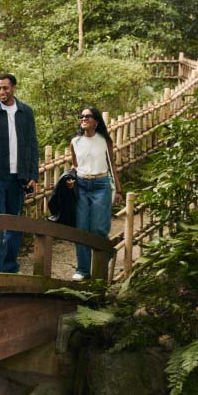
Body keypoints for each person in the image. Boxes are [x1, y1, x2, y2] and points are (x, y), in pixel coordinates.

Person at [0, 73, 39, 273]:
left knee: (15, 225)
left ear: (14, 88)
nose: (1, 92)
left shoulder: (26, 112)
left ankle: (10, 268)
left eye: (5, 88)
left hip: (18, 178)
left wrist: (33, 175)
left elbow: (32, 145)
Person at [70, 106, 123, 281]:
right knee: (82, 229)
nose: (84, 119)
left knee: (99, 228)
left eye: (88, 116)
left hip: (101, 185)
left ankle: (101, 261)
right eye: (82, 116)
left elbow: (111, 165)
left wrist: (118, 189)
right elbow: (75, 165)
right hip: (82, 185)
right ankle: (83, 269)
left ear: (96, 121)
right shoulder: (75, 141)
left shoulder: (104, 141)